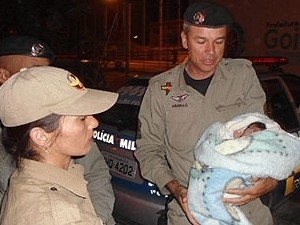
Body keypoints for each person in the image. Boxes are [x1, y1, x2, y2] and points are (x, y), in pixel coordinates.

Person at [134, 2, 278, 225]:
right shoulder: (160, 89)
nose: (211, 51)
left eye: (218, 41)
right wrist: (177, 189)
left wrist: (271, 180)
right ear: (185, 40)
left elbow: (265, 137)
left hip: (247, 211)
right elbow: (148, 150)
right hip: (191, 214)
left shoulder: (242, 76)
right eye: (201, 41)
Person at [0, 35, 116, 225]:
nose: (94, 123)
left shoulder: (31, 171)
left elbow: (97, 175)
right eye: (81, 118)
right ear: (40, 136)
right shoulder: (56, 215)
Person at [188, 112, 300, 225]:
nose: (254, 133)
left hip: (249, 194)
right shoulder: (231, 139)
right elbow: (215, 147)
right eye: (251, 130)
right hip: (216, 170)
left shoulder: (258, 143)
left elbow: (272, 155)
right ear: (240, 132)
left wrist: (271, 181)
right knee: (209, 190)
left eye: (259, 133)